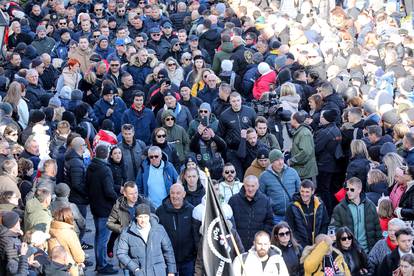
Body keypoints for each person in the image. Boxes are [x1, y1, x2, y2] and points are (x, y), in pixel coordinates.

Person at [116, 203, 177, 276]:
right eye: (140, 217)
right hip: (139, 273)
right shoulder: (127, 233)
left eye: (145, 217)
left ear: (149, 216)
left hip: (158, 272)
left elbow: (168, 251)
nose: (143, 220)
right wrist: (135, 269)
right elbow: (121, 253)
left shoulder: (159, 229)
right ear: (136, 217)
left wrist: (171, 271)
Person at [85, 144, 118, 275]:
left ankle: (101, 262)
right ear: (107, 154)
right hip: (104, 208)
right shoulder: (105, 170)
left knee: (99, 236)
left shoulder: (91, 167)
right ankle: (102, 265)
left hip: (95, 207)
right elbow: (109, 191)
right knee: (103, 238)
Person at [331, 177, 382, 253]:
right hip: (348, 252)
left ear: (359, 190)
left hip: (368, 251)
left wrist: (377, 250)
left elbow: (377, 229)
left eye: (352, 189)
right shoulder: (339, 208)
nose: (348, 192)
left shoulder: (370, 206)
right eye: (347, 189)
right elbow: (334, 230)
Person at [156, 184, 197, 276]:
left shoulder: (192, 210)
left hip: (188, 260)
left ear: (184, 194)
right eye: (172, 193)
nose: (175, 196)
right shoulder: (160, 211)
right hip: (168, 261)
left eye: (178, 193)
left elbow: (196, 235)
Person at [228, 175, 274, 250]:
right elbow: (229, 223)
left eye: (253, 186)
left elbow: (269, 223)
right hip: (237, 244)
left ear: (257, 186)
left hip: (258, 246)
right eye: (248, 186)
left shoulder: (265, 201)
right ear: (243, 185)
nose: (250, 189)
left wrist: (262, 239)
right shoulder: (233, 200)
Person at [259, 149, 301, 223]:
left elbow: (300, 190)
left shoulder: (293, 172)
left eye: (282, 159)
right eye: (277, 160)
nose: (281, 162)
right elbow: (261, 196)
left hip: (292, 214)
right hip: (275, 216)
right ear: (272, 162)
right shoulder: (264, 176)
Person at [314, 109, 343, 215]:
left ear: (326, 119)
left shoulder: (325, 132)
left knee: (323, 190)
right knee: (330, 189)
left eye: (322, 117)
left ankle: (327, 212)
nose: (320, 118)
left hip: (324, 165)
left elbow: (316, 148)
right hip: (333, 164)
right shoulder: (336, 129)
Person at [285, 179, 329, 247]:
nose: (304, 194)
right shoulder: (292, 207)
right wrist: (300, 243)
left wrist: (320, 239)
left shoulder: (320, 204)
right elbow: (290, 228)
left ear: (312, 191)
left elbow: (324, 224)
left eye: (307, 192)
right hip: (299, 244)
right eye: (302, 191)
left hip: (318, 243)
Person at [48, 207, 85, 276]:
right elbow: (79, 257)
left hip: (54, 268)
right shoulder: (69, 233)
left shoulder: (51, 230)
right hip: (69, 269)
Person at [289, 111, 318, 181]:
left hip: (305, 171)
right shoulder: (300, 131)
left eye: (291, 119)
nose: (290, 121)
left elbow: (306, 152)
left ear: (295, 120)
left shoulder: (304, 133)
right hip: (302, 169)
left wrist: (291, 161)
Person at [0, 211, 30, 276]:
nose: (20, 222)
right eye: (19, 221)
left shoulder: (4, 234)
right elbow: (14, 269)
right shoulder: (11, 243)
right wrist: (24, 256)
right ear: (14, 224)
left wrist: (19, 235)